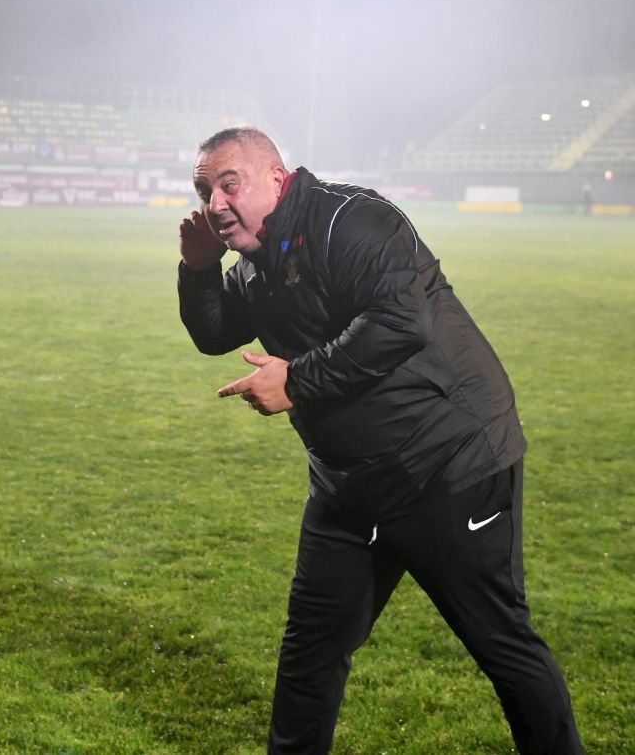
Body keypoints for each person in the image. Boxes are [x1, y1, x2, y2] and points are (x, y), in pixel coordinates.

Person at [177, 127, 583, 754]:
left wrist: (299, 380)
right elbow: (212, 332)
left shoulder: (354, 221)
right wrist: (199, 272)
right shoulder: (254, 264)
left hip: (447, 465)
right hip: (349, 486)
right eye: (205, 191)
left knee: (502, 645)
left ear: (277, 180)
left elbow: (399, 323)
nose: (215, 204)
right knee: (312, 648)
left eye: (229, 185)